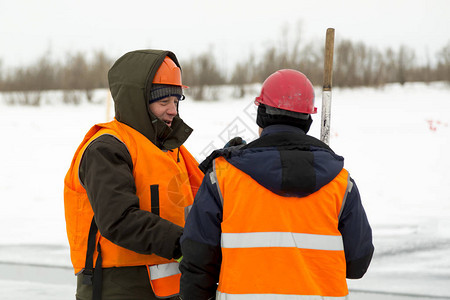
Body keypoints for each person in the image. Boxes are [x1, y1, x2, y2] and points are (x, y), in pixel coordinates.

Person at [179, 69, 374, 299]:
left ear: (261, 116)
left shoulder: (222, 176)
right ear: (308, 121)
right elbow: (357, 264)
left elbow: (198, 261)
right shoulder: (341, 184)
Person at [64, 49, 204, 300]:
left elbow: (191, 188)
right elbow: (118, 219)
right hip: (116, 287)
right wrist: (184, 243)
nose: (173, 110)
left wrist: (229, 161)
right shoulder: (106, 149)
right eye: (164, 102)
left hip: (167, 289)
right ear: (138, 101)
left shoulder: (167, 147)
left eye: (176, 101)